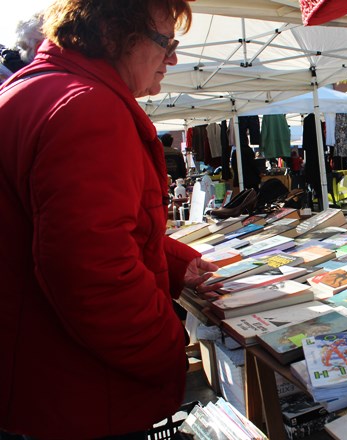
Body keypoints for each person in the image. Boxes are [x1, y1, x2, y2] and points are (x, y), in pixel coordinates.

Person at [0, 1, 222, 438]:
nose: (172, 58)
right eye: (165, 43)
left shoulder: (33, 90)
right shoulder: (88, 107)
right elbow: (90, 274)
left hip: (39, 380)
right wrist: (166, 344)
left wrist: (174, 263)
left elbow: (80, 233)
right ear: (110, 34)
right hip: (79, 392)